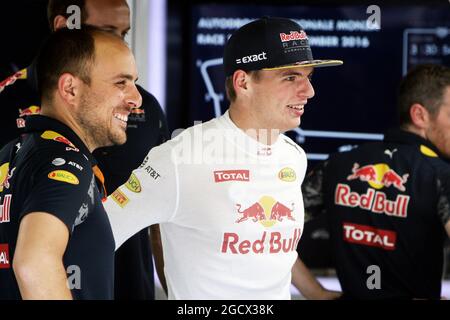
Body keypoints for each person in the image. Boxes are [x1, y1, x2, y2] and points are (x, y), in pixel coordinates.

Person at [104, 17, 342, 299]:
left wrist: (318, 293)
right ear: (243, 82)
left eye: (309, 77)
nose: (309, 91)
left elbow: (273, 251)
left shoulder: (293, 157)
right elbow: (94, 239)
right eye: (290, 77)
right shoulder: (181, 158)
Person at [0, 0, 169, 299]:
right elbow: (34, 263)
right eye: (121, 82)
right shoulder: (67, 163)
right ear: (70, 88)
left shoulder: (22, 148)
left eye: (123, 32)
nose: (137, 99)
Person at [301, 64, 450, 299]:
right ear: (420, 115)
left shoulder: (338, 164)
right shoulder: (441, 176)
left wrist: (315, 293)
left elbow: (269, 232)